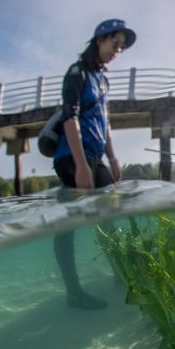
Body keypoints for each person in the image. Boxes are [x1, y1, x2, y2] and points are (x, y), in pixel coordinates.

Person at [52, 18, 136, 309]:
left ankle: (120, 276)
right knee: (68, 224)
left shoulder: (103, 79)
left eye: (122, 47)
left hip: (95, 156)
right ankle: (74, 292)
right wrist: (81, 165)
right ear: (100, 40)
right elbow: (70, 117)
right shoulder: (78, 74)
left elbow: (106, 122)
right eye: (115, 43)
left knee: (109, 213)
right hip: (72, 157)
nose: (118, 50)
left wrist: (112, 158)